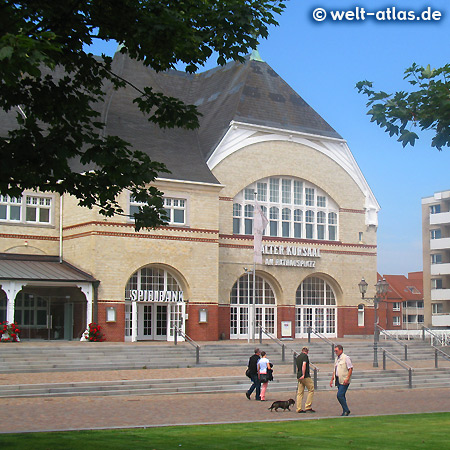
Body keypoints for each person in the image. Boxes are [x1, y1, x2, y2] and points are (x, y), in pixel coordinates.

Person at [330, 344, 353, 416]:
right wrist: (332, 379)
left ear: (341, 350)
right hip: (338, 379)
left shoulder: (346, 358)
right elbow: (335, 369)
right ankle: (345, 410)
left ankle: (346, 410)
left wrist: (347, 378)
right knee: (342, 395)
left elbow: (350, 368)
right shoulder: (337, 359)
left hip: (344, 380)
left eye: (336, 351)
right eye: (335, 351)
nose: (335, 352)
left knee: (339, 395)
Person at [296, 346, 315, 413]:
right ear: (307, 351)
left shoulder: (298, 357)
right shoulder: (305, 356)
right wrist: (303, 374)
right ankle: (308, 406)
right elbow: (304, 365)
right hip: (305, 376)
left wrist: (299, 375)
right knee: (311, 389)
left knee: (300, 392)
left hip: (299, 376)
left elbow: (297, 367)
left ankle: (298, 408)